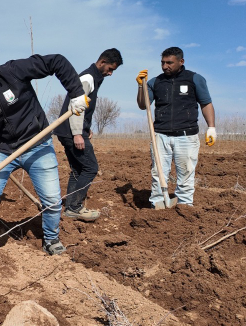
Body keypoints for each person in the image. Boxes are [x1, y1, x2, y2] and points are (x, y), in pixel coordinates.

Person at [0, 55, 88, 262]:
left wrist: (76, 93)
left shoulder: (12, 72)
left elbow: (56, 62)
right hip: (1, 150)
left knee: (51, 200)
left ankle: (51, 239)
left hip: (37, 144)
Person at [136, 46, 216, 208]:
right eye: (163, 63)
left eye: (169, 63)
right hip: (160, 135)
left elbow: (206, 103)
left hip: (187, 135)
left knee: (186, 173)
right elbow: (143, 105)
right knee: (158, 173)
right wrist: (140, 86)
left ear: (181, 62)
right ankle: (157, 203)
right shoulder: (155, 82)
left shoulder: (194, 79)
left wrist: (211, 127)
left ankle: (184, 205)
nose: (165, 66)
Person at [53, 48, 123, 221]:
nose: (111, 73)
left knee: (78, 168)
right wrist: (78, 133)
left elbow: (83, 108)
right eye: (110, 69)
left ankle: (71, 207)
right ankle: (75, 207)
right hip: (71, 131)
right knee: (90, 168)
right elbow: (76, 106)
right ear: (102, 62)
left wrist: (85, 128)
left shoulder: (92, 77)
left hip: (68, 130)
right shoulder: (88, 78)